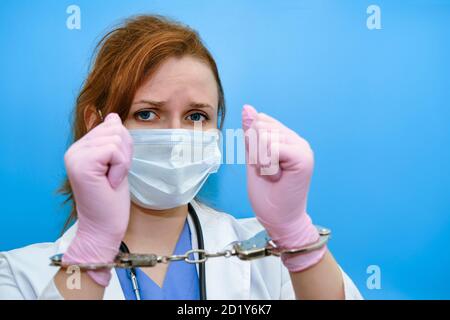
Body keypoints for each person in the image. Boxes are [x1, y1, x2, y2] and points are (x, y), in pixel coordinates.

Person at [0, 15, 362, 300]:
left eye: (196, 116)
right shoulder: (18, 275)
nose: (176, 138)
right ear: (96, 126)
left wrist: (295, 235)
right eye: (147, 113)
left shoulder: (271, 259)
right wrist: (91, 252)